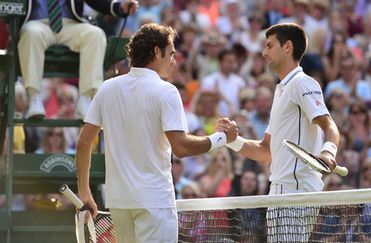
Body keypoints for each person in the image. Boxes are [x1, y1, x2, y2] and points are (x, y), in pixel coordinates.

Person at [75, 23, 237, 243]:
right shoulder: (166, 91)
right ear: (155, 52)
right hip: (154, 202)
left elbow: (84, 142)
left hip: (120, 203)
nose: (174, 60)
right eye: (170, 53)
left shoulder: (107, 88)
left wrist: (84, 192)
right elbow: (181, 147)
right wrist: (221, 139)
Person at [219, 23, 340, 242]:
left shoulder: (302, 83)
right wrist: (233, 141)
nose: (264, 53)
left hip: (297, 189)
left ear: (287, 47)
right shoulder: (282, 89)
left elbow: (329, 125)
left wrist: (329, 152)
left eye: (269, 45)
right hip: (279, 189)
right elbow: (266, 151)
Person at [18, 0, 138, 119]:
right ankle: (34, 97)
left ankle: (85, 99)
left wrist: (119, 6)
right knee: (31, 33)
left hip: (70, 24)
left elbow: (98, 2)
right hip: (37, 23)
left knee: (95, 34)